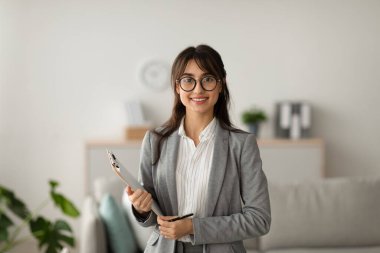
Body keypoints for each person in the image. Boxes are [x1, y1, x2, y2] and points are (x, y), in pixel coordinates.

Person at [127, 44, 271, 253]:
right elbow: (151, 219)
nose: (198, 89)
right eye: (188, 80)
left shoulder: (241, 145)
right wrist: (140, 209)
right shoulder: (154, 140)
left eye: (208, 79)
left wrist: (194, 227)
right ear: (177, 87)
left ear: (221, 85)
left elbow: (259, 219)